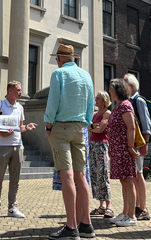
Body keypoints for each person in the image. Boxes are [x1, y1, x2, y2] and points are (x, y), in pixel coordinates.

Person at [44, 44, 95, 240]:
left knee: (66, 176)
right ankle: (86, 224)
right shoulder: (86, 75)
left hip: (61, 128)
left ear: (59, 59)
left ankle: (71, 226)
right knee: (81, 176)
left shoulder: (58, 74)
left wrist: (48, 125)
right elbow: (90, 104)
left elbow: (53, 102)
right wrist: (86, 123)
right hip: (80, 128)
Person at [0, 81, 37, 220]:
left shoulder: (20, 108)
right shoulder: (0, 105)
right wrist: (1, 133)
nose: (21, 93)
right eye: (18, 90)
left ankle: (12, 207)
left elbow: (18, 128)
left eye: (21, 90)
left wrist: (27, 127)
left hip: (17, 146)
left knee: (15, 180)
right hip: (2, 146)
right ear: (10, 91)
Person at [106, 79, 139, 227]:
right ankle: (125, 213)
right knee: (123, 181)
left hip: (124, 150)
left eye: (111, 88)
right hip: (117, 150)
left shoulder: (125, 105)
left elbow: (131, 127)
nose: (109, 90)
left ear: (118, 90)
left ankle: (131, 215)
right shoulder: (119, 106)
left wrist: (130, 147)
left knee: (128, 181)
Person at [123, 73, 151, 221]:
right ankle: (137, 206)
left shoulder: (138, 101)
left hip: (138, 144)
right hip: (132, 144)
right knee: (134, 175)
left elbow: (146, 124)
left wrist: (144, 145)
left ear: (131, 86)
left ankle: (143, 208)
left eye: (124, 83)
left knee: (138, 175)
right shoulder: (128, 102)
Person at [88, 91, 113, 219]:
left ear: (104, 101)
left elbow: (100, 129)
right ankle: (101, 206)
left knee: (103, 174)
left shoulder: (107, 113)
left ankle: (109, 206)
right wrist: (93, 126)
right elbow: (88, 127)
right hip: (92, 145)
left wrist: (93, 127)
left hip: (102, 145)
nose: (95, 100)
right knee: (94, 174)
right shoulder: (94, 114)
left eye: (97, 98)